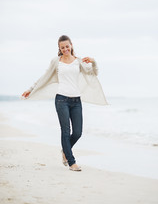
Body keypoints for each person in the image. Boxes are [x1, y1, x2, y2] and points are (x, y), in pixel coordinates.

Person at [21, 35, 107, 171]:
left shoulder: (79, 62)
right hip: (61, 100)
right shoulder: (56, 61)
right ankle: (72, 162)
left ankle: (65, 151)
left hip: (76, 101)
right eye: (62, 47)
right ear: (59, 49)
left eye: (67, 46)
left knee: (78, 132)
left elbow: (94, 73)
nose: (65, 49)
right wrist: (30, 89)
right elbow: (44, 77)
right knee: (66, 132)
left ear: (71, 45)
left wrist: (93, 61)